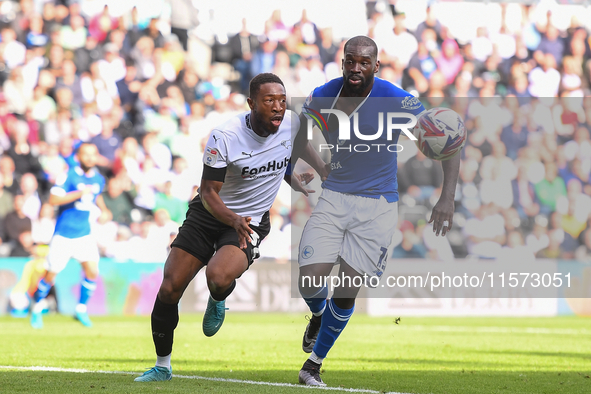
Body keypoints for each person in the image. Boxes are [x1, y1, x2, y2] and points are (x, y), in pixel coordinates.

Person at [134, 73, 327, 382]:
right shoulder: (225, 135)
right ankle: (162, 366)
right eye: (269, 101)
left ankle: (218, 295)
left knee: (218, 277)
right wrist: (231, 218)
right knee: (170, 288)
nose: (278, 107)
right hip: (210, 213)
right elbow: (209, 191)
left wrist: (317, 172)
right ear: (251, 103)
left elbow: (296, 149)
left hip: (249, 221)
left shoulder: (292, 123)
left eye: (281, 100)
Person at [291, 36, 461, 386]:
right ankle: (318, 314)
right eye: (350, 61)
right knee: (309, 278)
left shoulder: (397, 99)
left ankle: (314, 365)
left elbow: (448, 140)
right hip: (335, 197)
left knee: (347, 289)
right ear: (342, 62)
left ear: (376, 66)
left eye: (364, 62)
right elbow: (298, 135)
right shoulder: (325, 94)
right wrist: (320, 167)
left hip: (378, 205)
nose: (356, 67)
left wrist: (447, 197)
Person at [30, 143, 111, 329]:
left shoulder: (98, 178)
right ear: (78, 157)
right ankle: (36, 307)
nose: (90, 158)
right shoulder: (69, 175)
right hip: (64, 234)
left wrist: (104, 210)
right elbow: (53, 199)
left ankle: (80, 309)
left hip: (84, 233)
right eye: (86, 155)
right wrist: (78, 193)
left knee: (92, 270)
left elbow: (96, 195)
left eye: (93, 154)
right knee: (50, 275)